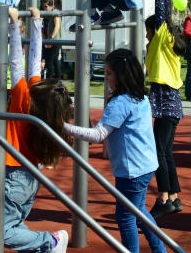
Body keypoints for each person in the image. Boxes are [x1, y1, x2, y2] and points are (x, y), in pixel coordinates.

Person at [64, 48, 166, 253]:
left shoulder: (121, 103)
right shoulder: (140, 96)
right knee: (138, 211)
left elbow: (98, 135)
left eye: (109, 73)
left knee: (126, 217)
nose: (106, 78)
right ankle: (159, 248)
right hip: (146, 164)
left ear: (122, 74)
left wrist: (63, 127)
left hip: (133, 170)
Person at [1, 6, 71, 253]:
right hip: (32, 174)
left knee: (1, 232)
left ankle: (49, 242)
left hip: (15, 174)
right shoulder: (40, 103)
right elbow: (31, 65)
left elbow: (19, 63)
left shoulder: (24, 97)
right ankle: (48, 247)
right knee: (15, 223)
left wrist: (14, 24)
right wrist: (36, 22)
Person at [144, 0, 186, 219]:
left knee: (158, 151)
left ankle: (162, 198)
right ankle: (174, 197)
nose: (147, 34)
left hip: (167, 101)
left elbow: (163, 10)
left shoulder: (162, 37)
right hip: (168, 103)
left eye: (149, 30)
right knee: (165, 151)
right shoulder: (160, 44)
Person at [42, 0, 62, 81]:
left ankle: (49, 81)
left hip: (55, 41)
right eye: (44, 7)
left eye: (46, 6)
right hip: (53, 40)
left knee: (49, 60)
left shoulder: (55, 13)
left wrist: (50, 38)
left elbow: (57, 26)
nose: (45, 8)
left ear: (51, 6)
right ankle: (57, 79)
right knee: (54, 61)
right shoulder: (51, 15)